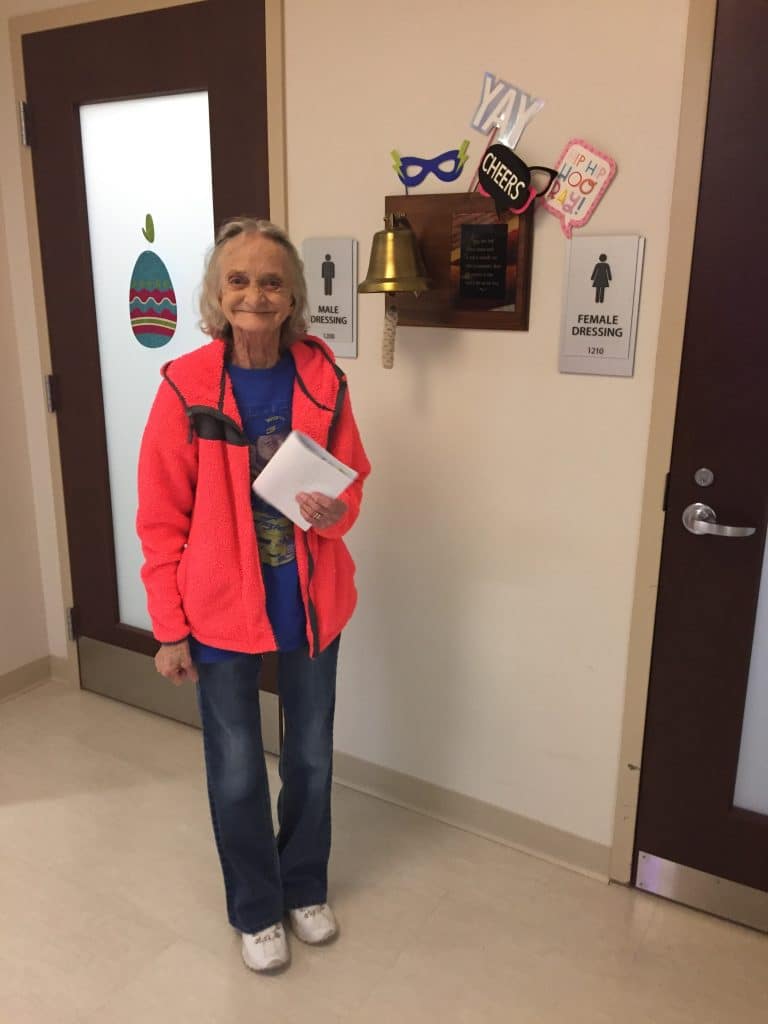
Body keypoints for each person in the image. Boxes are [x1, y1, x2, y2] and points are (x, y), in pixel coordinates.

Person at [136, 218, 371, 973]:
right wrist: (169, 627)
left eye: (271, 281)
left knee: (310, 758)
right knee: (237, 766)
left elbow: (351, 481)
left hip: (310, 604)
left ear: (293, 295)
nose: (255, 295)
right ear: (217, 293)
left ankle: (304, 887)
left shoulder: (323, 379)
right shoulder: (185, 389)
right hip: (218, 609)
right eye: (238, 280)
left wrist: (336, 514)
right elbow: (160, 519)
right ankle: (256, 907)